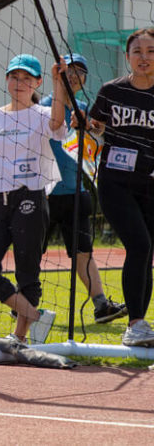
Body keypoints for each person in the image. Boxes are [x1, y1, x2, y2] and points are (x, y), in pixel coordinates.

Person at [0, 54, 67, 345]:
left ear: (37, 83)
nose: (19, 83)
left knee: (27, 271)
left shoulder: (42, 113)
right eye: (14, 76)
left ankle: (20, 336)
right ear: (6, 80)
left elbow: (58, 126)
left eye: (26, 78)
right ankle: (35, 316)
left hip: (30, 196)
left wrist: (58, 83)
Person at [39, 53, 127, 324]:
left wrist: (89, 126)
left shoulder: (84, 108)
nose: (74, 76)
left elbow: (96, 140)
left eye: (80, 72)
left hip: (75, 192)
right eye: (69, 70)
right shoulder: (43, 107)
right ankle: (23, 302)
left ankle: (101, 306)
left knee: (83, 252)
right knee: (32, 252)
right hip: (43, 192)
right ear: (59, 74)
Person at [85, 29, 154, 346]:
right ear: (127, 56)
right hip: (115, 182)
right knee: (139, 244)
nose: (144, 57)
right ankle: (135, 325)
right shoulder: (111, 91)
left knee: (147, 251)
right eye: (137, 51)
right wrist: (86, 124)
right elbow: (96, 128)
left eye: (151, 51)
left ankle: (140, 326)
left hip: (149, 184)